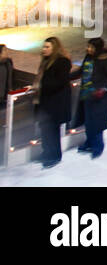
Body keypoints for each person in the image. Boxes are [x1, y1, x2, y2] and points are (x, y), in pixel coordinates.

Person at [70, 38, 107, 158]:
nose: (88, 49)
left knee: (96, 123)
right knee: (88, 121)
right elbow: (81, 71)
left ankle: (97, 146)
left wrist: (102, 89)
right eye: (88, 46)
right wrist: (67, 76)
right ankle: (89, 142)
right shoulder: (88, 58)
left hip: (99, 97)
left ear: (97, 49)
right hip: (86, 95)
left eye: (91, 47)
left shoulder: (105, 60)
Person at [33, 37, 72, 169]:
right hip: (45, 102)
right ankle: (46, 152)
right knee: (45, 129)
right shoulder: (46, 61)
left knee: (52, 131)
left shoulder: (63, 62)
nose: (44, 50)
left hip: (56, 104)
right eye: (43, 47)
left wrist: (41, 86)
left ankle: (54, 156)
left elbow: (60, 82)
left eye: (47, 47)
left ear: (54, 48)